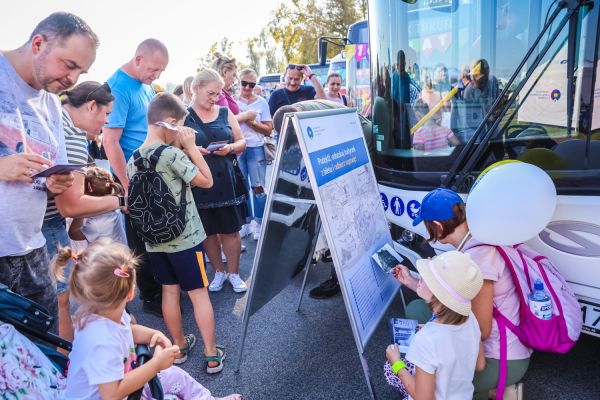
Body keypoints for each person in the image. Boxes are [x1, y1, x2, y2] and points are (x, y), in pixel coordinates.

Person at [56, 239, 243, 400]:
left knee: (173, 375)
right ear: (130, 293)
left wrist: (155, 334)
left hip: (121, 383)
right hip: (112, 393)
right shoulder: (99, 341)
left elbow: (126, 329)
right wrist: (155, 365)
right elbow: (111, 395)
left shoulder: (106, 311)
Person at [0, 12, 97, 319]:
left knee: (40, 356)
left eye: (80, 72)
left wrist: (54, 184)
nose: (72, 79)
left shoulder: (52, 104)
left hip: (32, 249)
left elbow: (46, 173)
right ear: (38, 43)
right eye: (69, 65)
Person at [396, 188, 532, 399]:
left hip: (503, 357)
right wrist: (412, 282)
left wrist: (436, 338)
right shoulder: (474, 241)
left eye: (427, 225)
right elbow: (456, 301)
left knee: (439, 381)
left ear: (438, 226)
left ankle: (497, 390)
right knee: (416, 309)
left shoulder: (480, 259)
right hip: (490, 343)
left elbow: (481, 330)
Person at [128, 92, 225, 370]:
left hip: (154, 241)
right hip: (185, 238)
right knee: (198, 293)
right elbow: (206, 181)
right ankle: (211, 354)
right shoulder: (171, 154)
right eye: (180, 126)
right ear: (170, 123)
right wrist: (191, 147)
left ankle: (179, 347)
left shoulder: (133, 159)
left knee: (169, 291)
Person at [272, 99, 373, 299]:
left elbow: (329, 159)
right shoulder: (293, 114)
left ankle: (339, 278)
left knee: (343, 210)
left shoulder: (316, 121)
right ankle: (319, 254)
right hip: (340, 140)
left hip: (358, 139)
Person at [103, 38, 169, 317]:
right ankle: (151, 296)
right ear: (138, 59)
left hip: (151, 173)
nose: (156, 76)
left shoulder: (145, 86)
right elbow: (110, 141)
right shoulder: (118, 87)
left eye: (161, 72)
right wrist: (127, 187)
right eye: (154, 69)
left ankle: (165, 288)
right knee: (140, 241)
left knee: (157, 235)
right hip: (133, 178)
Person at [52, 81, 121, 345]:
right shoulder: (74, 135)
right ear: (92, 106)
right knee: (59, 301)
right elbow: (71, 205)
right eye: (106, 115)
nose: (105, 123)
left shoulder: (56, 121)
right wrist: (118, 201)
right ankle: (63, 367)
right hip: (44, 227)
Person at [385, 251, 485, 399]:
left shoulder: (426, 340)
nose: (421, 277)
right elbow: (480, 365)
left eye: (427, 278)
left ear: (439, 294)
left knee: (390, 367)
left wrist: (397, 364)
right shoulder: (471, 318)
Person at [185, 69, 248, 294]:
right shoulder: (183, 116)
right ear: (196, 88)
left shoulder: (224, 111)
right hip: (199, 183)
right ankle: (219, 272)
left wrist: (230, 147)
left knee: (231, 230)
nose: (215, 98)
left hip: (226, 179)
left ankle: (234, 273)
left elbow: (242, 141)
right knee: (208, 231)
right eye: (211, 93)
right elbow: (174, 149)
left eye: (218, 94)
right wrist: (193, 151)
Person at [235, 68, 273, 241]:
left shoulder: (262, 102)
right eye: (244, 83)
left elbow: (268, 129)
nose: (248, 88)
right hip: (237, 148)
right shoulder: (232, 101)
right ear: (238, 81)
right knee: (240, 187)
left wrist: (249, 121)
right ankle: (245, 222)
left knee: (258, 187)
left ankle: (259, 223)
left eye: (251, 84)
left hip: (256, 147)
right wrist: (242, 117)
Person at [68, 166, 127, 244]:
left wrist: (81, 210)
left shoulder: (95, 224)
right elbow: (125, 202)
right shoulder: (116, 202)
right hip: (122, 252)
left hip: (107, 255)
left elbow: (73, 234)